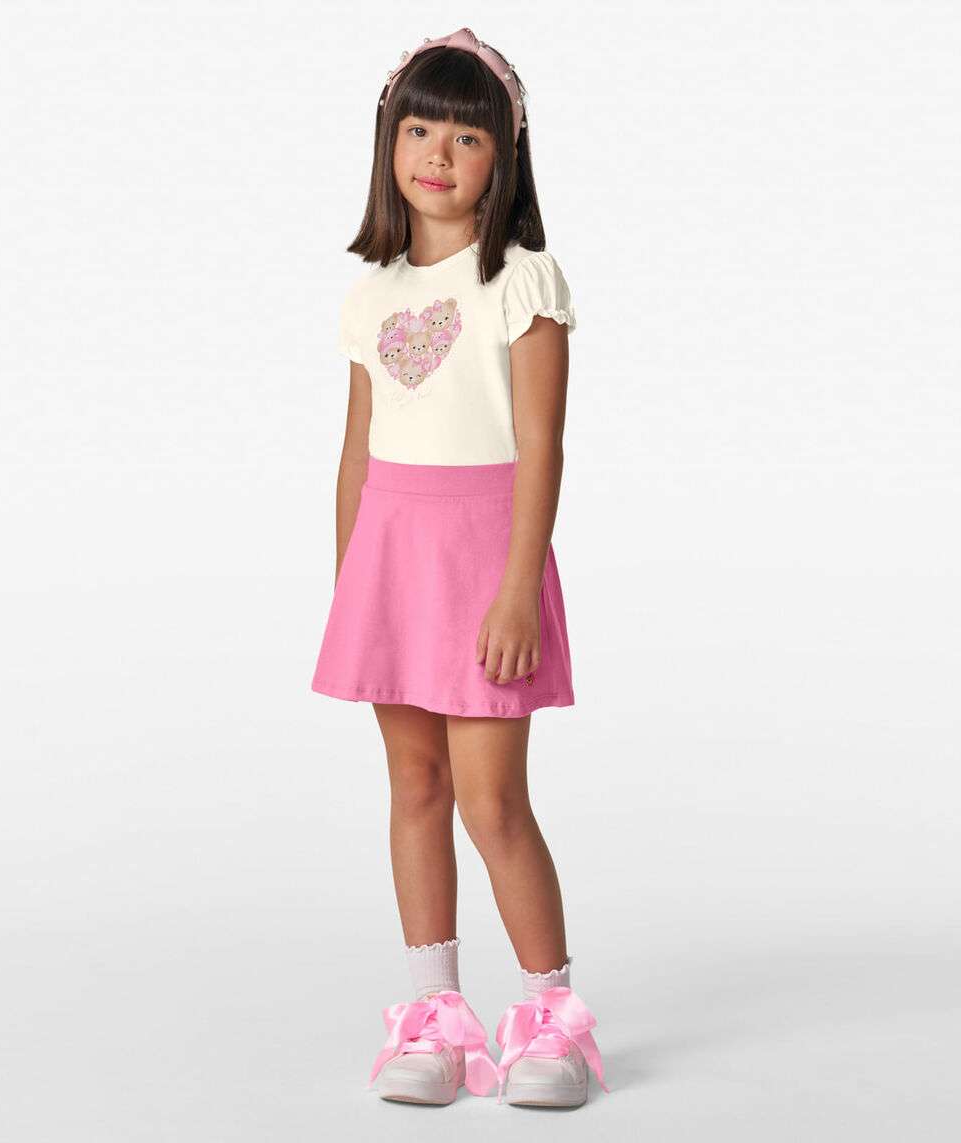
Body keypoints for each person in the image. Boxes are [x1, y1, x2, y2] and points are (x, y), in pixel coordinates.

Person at [311, 28, 611, 1109]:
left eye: (466, 136)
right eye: (419, 128)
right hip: (390, 565)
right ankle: (435, 1020)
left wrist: (519, 588)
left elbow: (542, 446)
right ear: (388, 142)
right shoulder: (372, 294)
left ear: (504, 158)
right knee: (415, 786)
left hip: (485, 563)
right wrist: (351, 586)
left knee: (490, 801)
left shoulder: (521, 282)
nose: (437, 153)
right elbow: (358, 452)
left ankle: (551, 1021)